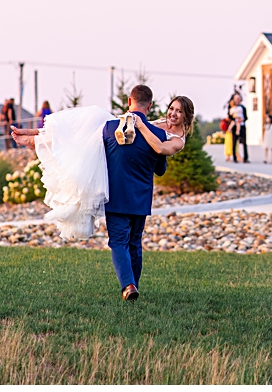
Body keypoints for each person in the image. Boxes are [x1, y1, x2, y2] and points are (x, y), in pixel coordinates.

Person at [10, 86, 191, 302]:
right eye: (172, 109)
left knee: (118, 242)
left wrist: (37, 137)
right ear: (150, 106)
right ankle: (134, 285)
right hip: (141, 197)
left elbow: (77, 140)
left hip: (115, 196)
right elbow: (160, 168)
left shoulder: (108, 129)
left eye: (178, 111)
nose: (173, 114)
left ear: (129, 101)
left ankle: (128, 285)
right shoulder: (159, 134)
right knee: (134, 242)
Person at [230, 94, 249, 163]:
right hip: (235, 126)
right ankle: (234, 158)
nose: (237, 100)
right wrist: (235, 119)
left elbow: (246, 117)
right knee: (234, 142)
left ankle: (245, 158)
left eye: (238, 98)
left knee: (244, 142)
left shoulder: (243, 108)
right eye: (236, 98)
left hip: (242, 126)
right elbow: (229, 117)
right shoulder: (232, 108)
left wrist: (242, 120)